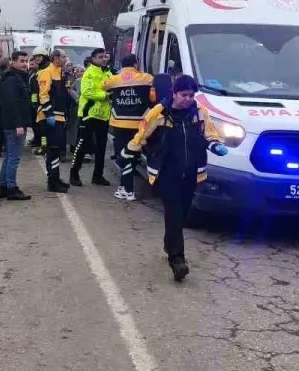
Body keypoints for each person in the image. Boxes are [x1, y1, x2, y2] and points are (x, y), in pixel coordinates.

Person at [124, 74, 228, 281]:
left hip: (191, 173)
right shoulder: (159, 113)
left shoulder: (199, 113)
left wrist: (215, 144)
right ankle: (177, 259)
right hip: (166, 174)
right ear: (174, 93)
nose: (188, 99)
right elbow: (142, 135)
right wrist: (127, 153)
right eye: (183, 95)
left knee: (182, 214)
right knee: (174, 214)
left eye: (191, 95)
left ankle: (169, 243)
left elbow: (209, 133)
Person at [105, 54, 155, 201]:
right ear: (136, 64)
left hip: (119, 123)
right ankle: (124, 186)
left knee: (123, 155)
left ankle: (128, 189)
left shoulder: (114, 79)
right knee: (132, 155)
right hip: (139, 124)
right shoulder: (147, 78)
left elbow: (105, 86)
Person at [71, 48, 112, 187]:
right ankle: (74, 174)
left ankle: (98, 176)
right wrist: (105, 94)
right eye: (101, 57)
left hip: (103, 115)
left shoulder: (107, 72)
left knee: (101, 147)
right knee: (82, 145)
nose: (104, 59)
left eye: (105, 57)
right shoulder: (89, 73)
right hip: (89, 115)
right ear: (93, 59)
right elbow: (87, 92)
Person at [0, 52, 33, 200]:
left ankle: (3, 186)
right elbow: (12, 104)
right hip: (15, 124)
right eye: (22, 61)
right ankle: (12, 187)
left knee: (9, 156)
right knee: (14, 158)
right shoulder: (12, 79)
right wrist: (19, 124)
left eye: (26, 61)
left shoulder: (15, 77)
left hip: (13, 123)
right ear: (13, 62)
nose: (25, 64)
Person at [37, 49, 74, 193]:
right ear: (56, 58)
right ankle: (52, 182)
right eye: (64, 57)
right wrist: (49, 113)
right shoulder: (47, 72)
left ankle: (55, 178)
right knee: (52, 149)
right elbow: (43, 94)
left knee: (57, 149)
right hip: (50, 117)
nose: (66, 59)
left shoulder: (60, 72)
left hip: (59, 116)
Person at [28, 47, 48, 155]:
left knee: (45, 129)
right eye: (35, 57)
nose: (37, 59)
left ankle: (46, 146)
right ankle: (44, 145)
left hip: (47, 104)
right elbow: (34, 92)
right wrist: (34, 104)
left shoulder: (46, 69)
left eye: (39, 57)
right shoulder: (38, 72)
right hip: (39, 105)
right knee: (42, 129)